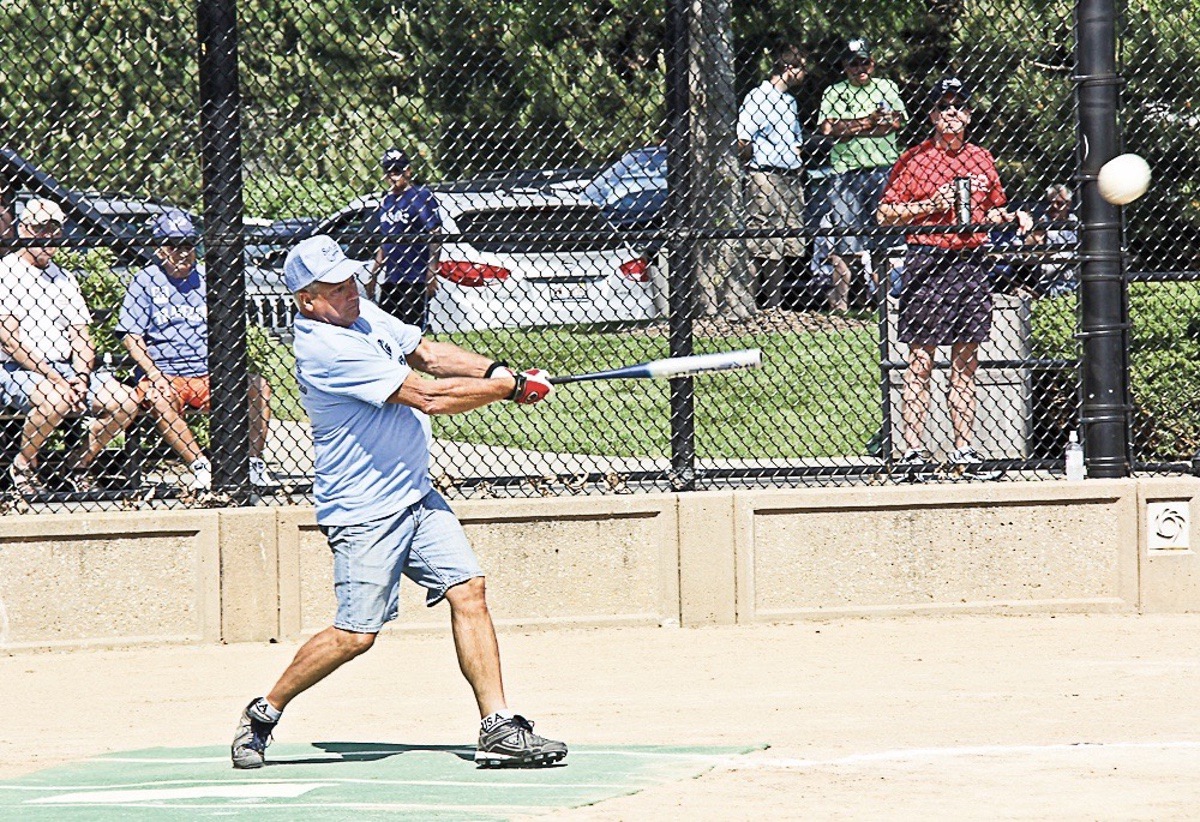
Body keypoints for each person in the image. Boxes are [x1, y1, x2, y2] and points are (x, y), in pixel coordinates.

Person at [231, 235, 567, 770]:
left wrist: (498, 372)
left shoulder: (360, 314)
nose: (351, 292)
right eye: (335, 288)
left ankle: (499, 726)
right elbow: (427, 396)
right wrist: (508, 390)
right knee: (355, 636)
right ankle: (263, 712)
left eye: (350, 280)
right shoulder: (326, 349)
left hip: (416, 495)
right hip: (364, 510)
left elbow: (428, 354)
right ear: (306, 301)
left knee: (469, 590)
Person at [875, 77, 1032, 478]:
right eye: (943, 106)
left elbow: (992, 210)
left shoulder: (982, 158)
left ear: (969, 115)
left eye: (959, 106)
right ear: (932, 115)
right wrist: (930, 204)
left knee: (966, 361)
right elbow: (885, 214)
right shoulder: (914, 158)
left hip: (970, 261)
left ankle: (964, 451)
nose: (951, 113)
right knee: (920, 360)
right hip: (927, 258)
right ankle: (912, 453)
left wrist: (1013, 217)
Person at [116, 211, 275, 491]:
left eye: (188, 244)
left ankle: (253, 463)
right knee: (159, 397)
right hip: (166, 374)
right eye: (173, 245)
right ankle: (201, 466)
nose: (182, 252)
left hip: (210, 374)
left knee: (258, 386)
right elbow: (131, 337)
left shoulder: (208, 278)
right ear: (159, 248)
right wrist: (155, 374)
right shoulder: (145, 281)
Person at [0, 198, 140, 495]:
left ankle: (78, 464)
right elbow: (10, 340)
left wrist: (81, 377)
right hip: (15, 368)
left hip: (65, 369)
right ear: (23, 229)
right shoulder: (6, 272)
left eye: (54, 229)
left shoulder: (64, 278)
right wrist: (56, 378)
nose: (47, 236)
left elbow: (81, 336)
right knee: (55, 399)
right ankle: (23, 465)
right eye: (39, 228)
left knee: (126, 400)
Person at [817, 38, 906, 312]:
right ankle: (840, 307)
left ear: (873, 63)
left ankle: (886, 304)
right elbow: (829, 130)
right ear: (845, 66)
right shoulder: (834, 92)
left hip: (883, 170)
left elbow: (893, 124)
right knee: (845, 243)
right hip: (846, 172)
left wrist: (851, 127)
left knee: (885, 239)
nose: (860, 68)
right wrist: (868, 122)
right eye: (853, 64)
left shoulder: (887, 87)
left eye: (864, 62)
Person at [737, 44, 808, 312]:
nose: (805, 74)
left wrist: (796, 160)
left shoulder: (789, 101)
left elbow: (796, 140)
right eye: (802, 68)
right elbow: (743, 139)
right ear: (789, 68)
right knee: (760, 241)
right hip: (765, 175)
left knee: (784, 241)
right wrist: (750, 165)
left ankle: (774, 306)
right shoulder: (758, 97)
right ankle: (750, 305)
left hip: (789, 176)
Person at [368, 148, 442, 329]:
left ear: (408, 171)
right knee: (388, 327)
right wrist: (374, 273)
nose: (393, 176)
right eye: (389, 171)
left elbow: (435, 233)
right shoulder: (386, 201)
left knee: (412, 328)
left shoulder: (420, 196)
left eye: (397, 170)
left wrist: (431, 270)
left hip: (415, 276)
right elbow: (385, 242)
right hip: (392, 277)